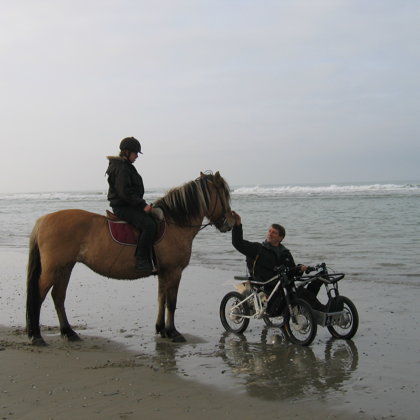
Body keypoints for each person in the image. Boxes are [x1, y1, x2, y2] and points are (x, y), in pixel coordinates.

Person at [230, 210, 324, 310]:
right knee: (301, 293)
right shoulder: (257, 249)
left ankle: (328, 309)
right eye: (269, 231)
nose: (270, 234)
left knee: (317, 280)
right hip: (267, 288)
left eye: (274, 233)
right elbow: (238, 243)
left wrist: (300, 269)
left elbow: (291, 272)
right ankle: (323, 311)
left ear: (281, 237)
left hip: (283, 287)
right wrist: (237, 224)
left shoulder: (285, 253)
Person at [106, 137, 156, 271]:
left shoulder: (125, 166)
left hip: (128, 205)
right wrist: (142, 205)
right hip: (123, 207)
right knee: (149, 225)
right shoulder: (122, 167)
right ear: (127, 152)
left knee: (154, 220)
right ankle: (141, 260)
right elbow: (125, 192)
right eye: (135, 153)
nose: (137, 156)